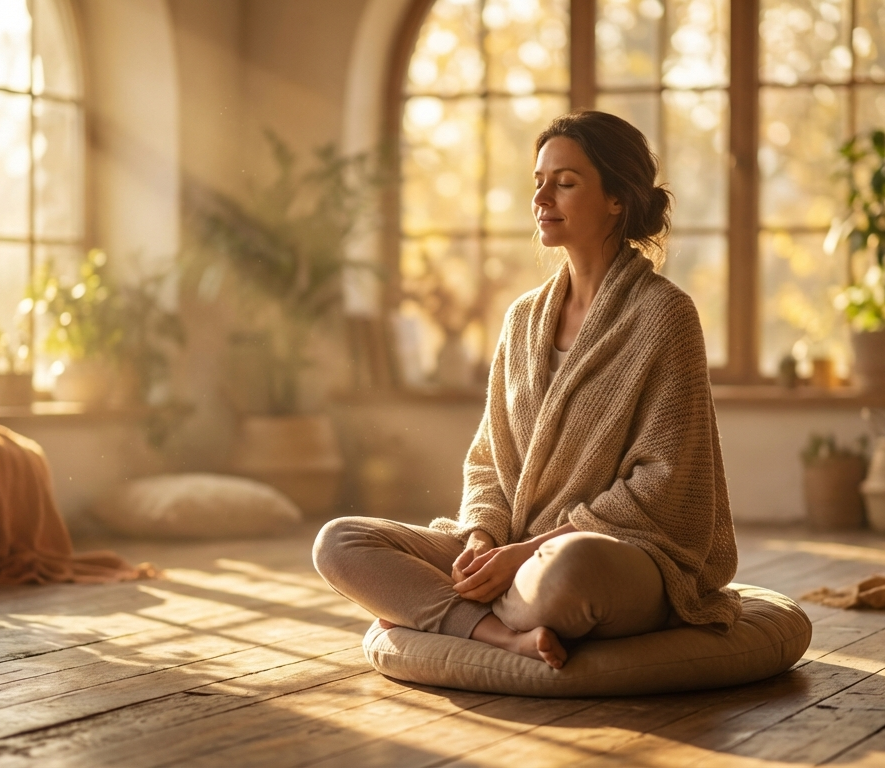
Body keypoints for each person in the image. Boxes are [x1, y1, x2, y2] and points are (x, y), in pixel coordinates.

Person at [314, 110, 740, 670]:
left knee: (568, 574)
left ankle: (442, 614)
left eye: (565, 183)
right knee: (339, 542)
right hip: (510, 545)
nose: (542, 198)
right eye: (539, 182)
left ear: (617, 199)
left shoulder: (665, 316)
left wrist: (526, 556)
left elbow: (665, 489)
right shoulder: (522, 320)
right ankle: (499, 633)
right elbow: (488, 463)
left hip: (616, 555)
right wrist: (485, 541)